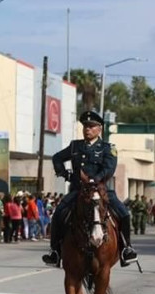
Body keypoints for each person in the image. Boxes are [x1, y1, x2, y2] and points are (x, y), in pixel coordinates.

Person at [43, 110, 137, 267]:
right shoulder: (75, 146)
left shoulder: (108, 148)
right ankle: (55, 252)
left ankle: (126, 249)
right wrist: (65, 174)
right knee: (58, 214)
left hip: (101, 190)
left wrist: (96, 179)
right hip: (78, 191)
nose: (87, 129)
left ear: (99, 129)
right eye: (85, 126)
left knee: (124, 214)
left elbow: (109, 168)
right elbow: (57, 158)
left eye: (91, 126)